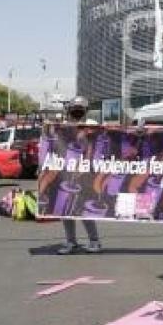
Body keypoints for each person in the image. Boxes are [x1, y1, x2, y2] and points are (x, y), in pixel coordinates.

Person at [57, 96, 102, 255]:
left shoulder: (92, 126)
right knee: (66, 211)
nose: (77, 112)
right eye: (74, 109)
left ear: (85, 111)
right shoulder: (63, 127)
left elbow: (96, 146)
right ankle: (71, 242)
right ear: (69, 110)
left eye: (80, 109)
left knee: (83, 209)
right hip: (66, 173)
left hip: (85, 174)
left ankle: (94, 241)